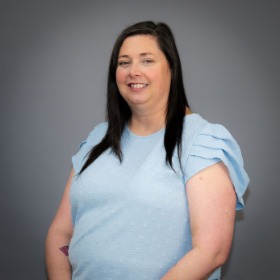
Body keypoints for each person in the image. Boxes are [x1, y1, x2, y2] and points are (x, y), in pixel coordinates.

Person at [45, 21, 249, 280]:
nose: (134, 71)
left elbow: (211, 252)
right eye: (124, 62)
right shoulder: (98, 138)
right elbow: (61, 232)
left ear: (171, 69)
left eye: (147, 60)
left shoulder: (201, 141)